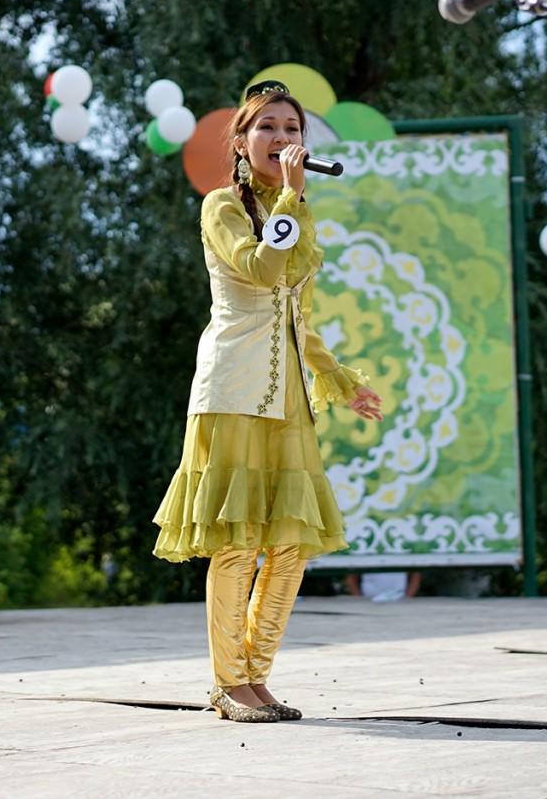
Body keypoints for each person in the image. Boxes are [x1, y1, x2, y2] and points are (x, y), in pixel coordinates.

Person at [152, 80, 384, 724]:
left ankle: (255, 676)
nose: (284, 140)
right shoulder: (221, 206)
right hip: (231, 388)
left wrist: (341, 379)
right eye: (269, 129)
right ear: (241, 140)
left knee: (290, 545)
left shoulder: (296, 210)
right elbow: (259, 269)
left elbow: (296, 314)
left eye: (292, 130)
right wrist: (289, 195)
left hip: (288, 401)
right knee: (238, 539)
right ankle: (228, 682)